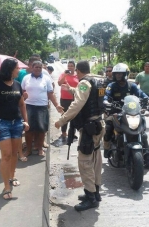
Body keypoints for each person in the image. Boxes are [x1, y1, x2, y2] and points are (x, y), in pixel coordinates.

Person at [55, 60, 105, 212]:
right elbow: (86, 97)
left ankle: (91, 197)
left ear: (78, 71)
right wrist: (70, 89)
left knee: (84, 162)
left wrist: (62, 120)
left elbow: (77, 104)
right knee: (95, 160)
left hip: (89, 129)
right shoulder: (96, 81)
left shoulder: (84, 83)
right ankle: (95, 192)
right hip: (98, 124)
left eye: (76, 71)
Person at [0, 58, 30, 200]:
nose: (19, 70)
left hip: (16, 123)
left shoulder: (17, 84)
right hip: (2, 124)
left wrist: (25, 121)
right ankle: (6, 186)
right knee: (6, 155)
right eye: (17, 68)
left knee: (15, 153)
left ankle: (12, 176)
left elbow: (22, 104)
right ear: (9, 69)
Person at [103, 63, 149, 171]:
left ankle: (148, 160)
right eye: (116, 74)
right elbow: (107, 94)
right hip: (116, 112)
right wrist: (106, 101)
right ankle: (107, 148)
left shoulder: (131, 85)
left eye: (120, 74)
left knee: (143, 133)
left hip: (131, 112)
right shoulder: (112, 85)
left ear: (126, 74)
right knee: (109, 127)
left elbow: (140, 93)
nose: (118, 76)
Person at [22, 61, 63, 157]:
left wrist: (57, 105)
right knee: (28, 129)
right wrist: (23, 97)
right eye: (36, 67)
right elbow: (22, 91)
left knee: (41, 129)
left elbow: (50, 93)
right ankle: (28, 150)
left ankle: (40, 149)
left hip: (42, 107)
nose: (38, 69)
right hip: (29, 106)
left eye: (40, 67)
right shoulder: (26, 78)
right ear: (32, 68)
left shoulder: (46, 79)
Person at [57, 61, 79, 142]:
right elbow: (59, 83)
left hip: (75, 98)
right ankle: (63, 132)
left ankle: (72, 132)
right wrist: (65, 75)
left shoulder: (77, 75)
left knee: (74, 116)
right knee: (64, 115)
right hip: (64, 99)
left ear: (74, 67)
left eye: (71, 66)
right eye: (68, 66)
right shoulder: (63, 74)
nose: (70, 67)